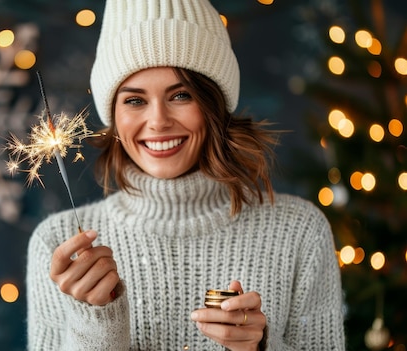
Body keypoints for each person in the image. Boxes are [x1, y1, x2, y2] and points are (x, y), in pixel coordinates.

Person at [26, 0, 346, 350]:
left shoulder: (299, 231)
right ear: (114, 115)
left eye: (181, 95)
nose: (158, 121)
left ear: (214, 105)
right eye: (134, 100)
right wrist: (95, 321)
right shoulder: (57, 243)